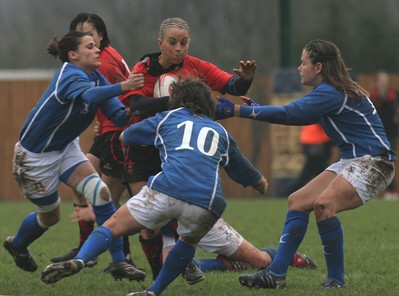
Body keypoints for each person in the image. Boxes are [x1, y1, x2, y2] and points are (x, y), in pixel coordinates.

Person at [40, 78, 260, 296]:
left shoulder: (168, 117)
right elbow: (246, 172)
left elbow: (128, 135)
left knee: (113, 226)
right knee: (192, 244)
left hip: (166, 191)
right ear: (208, 104)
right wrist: (261, 184)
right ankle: (154, 291)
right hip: (206, 204)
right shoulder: (220, 131)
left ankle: (80, 259)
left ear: (177, 99)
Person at [215, 39, 396, 289]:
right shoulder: (331, 91)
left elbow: (291, 113)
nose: (300, 67)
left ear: (318, 67)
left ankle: (335, 281)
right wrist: (259, 110)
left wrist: (237, 111)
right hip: (353, 160)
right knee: (297, 202)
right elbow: (296, 115)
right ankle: (276, 274)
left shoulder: (332, 92)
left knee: (324, 205)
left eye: (303, 62)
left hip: (375, 163)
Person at [119, 17, 258, 283]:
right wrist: (174, 102)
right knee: (148, 221)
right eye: (172, 42)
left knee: (163, 215)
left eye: (183, 42)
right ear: (160, 43)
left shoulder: (197, 67)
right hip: (143, 147)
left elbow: (232, 86)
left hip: (177, 147)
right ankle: (135, 264)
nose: (179, 48)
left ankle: (172, 267)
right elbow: (136, 105)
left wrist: (246, 81)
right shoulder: (144, 68)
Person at [3, 30, 146, 282]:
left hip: (65, 148)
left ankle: (119, 262)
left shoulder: (97, 77)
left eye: (96, 45)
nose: (97, 50)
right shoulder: (68, 74)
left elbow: (119, 116)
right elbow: (88, 96)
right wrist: (123, 86)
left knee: (101, 195)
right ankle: (17, 245)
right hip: (35, 157)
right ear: (73, 55)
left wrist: (149, 106)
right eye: (90, 46)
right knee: (50, 216)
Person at [51, 12, 139, 269]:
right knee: (84, 183)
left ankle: (123, 256)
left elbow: (107, 97)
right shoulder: (96, 59)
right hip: (108, 131)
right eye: (79, 34)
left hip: (118, 134)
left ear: (101, 36)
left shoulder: (104, 63)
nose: (85, 38)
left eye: (90, 34)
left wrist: (113, 118)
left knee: (108, 198)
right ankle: (86, 244)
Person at [370, 71, 399, 200]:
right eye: (381, 80)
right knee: (376, 162)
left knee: (388, 161)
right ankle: (375, 190)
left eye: (385, 80)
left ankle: (391, 191)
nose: (383, 82)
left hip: (391, 134)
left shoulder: (395, 96)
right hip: (377, 134)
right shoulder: (372, 97)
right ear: (377, 82)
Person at [288, 123, 333, 194]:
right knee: (314, 171)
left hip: (311, 141)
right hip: (316, 142)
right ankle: (289, 192)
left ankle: (290, 192)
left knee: (316, 171)